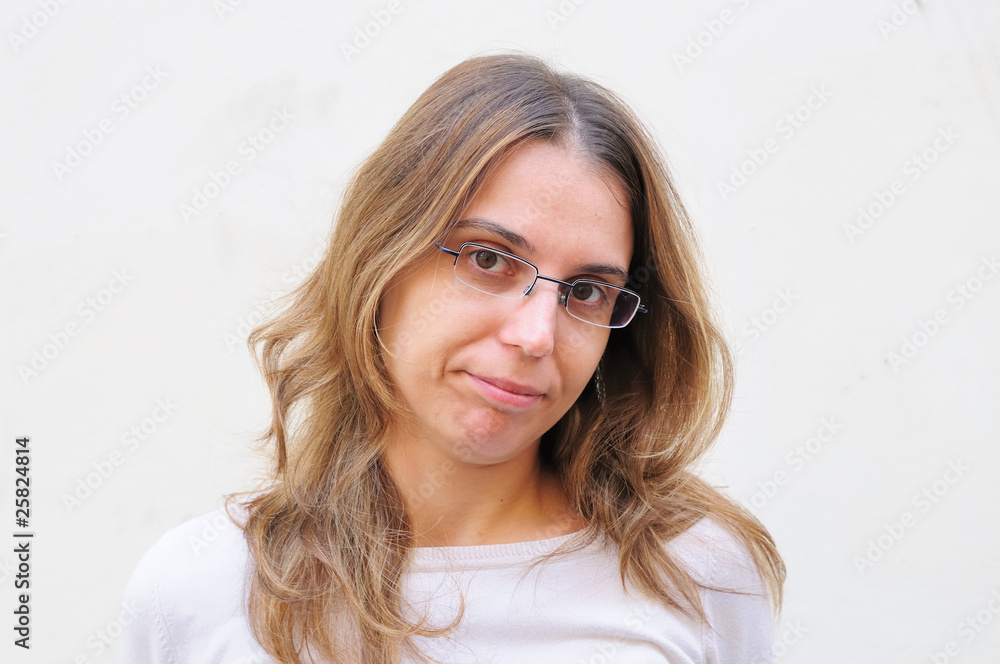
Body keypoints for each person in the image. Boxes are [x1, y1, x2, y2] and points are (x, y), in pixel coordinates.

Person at [119, 51, 785, 664]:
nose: (536, 336)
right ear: (382, 259)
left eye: (585, 291)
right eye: (490, 259)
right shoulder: (202, 591)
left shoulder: (697, 576)